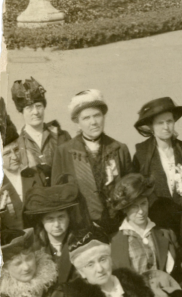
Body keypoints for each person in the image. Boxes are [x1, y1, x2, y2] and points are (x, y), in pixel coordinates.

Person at [51, 89, 132, 238]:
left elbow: (131, 192)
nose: (93, 122)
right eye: (86, 118)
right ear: (77, 122)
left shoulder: (120, 149)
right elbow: (58, 198)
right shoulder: (64, 152)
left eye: (97, 116)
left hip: (119, 228)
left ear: (103, 117)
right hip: (82, 230)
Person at [131, 96, 182, 239]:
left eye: (169, 121)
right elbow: (138, 191)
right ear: (151, 126)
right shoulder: (142, 153)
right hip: (157, 223)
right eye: (160, 123)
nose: (166, 127)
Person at [23, 179, 92, 284]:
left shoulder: (83, 242)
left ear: (69, 217)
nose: (56, 224)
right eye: (50, 219)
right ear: (42, 221)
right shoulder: (35, 249)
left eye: (61, 217)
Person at [0, 102, 43, 240]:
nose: (15, 156)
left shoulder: (34, 175)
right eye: (7, 153)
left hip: (40, 243)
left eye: (16, 150)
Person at [11, 77, 70, 182]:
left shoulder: (62, 136)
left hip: (62, 195)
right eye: (29, 108)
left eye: (38, 106)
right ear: (21, 112)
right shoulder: (15, 145)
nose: (36, 112)